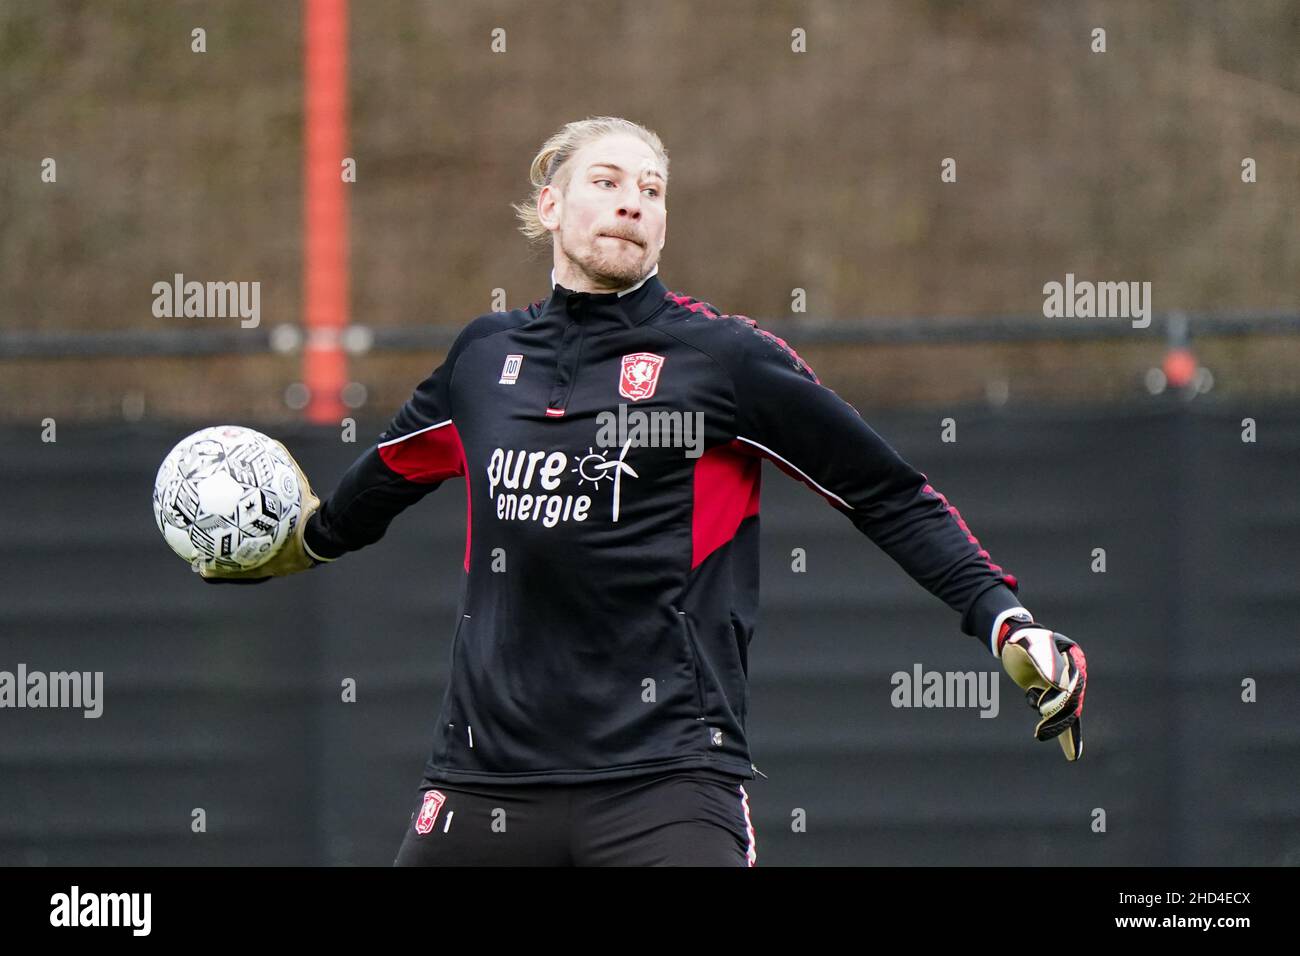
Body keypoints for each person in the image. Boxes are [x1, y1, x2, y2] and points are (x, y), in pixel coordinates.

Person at [200, 116, 1088, 866]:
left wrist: (1002, 615)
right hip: (483, 781)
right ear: (549, 205)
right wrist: (303, 543)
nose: (635, 201)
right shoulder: (484, 360)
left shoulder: (723, 360)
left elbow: (885, 493)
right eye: (608, 179)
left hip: (665, 785)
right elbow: (388, 474)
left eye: (654, 190)